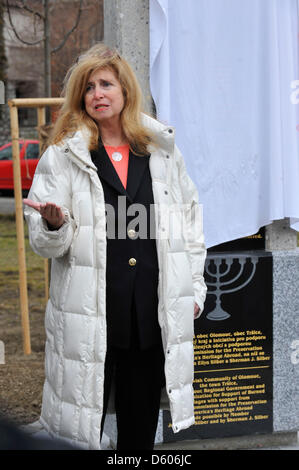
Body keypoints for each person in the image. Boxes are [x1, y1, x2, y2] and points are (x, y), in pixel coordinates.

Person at [23, 43, 207, 450]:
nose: (97, 94)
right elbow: (44, 242)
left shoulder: (161, 152)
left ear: (125, 90)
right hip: (90, 316)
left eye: (106, 84)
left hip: (148, 316)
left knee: (139, 431)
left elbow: (189, 225)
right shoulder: (63, 157)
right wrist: (54, 224)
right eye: (88, 87)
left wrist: (195, 289)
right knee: (79, 430)